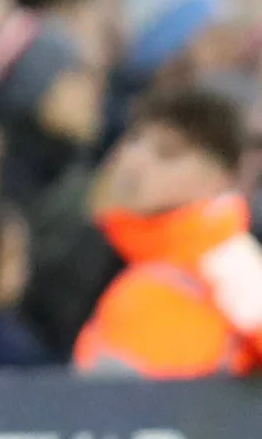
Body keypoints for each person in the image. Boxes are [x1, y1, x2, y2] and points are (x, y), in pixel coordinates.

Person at [72, 86, 262, 377]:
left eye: (167, 154)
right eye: (134, 141)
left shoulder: (230, 265)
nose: (136, 163)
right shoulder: (113, 253)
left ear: (218, 178)